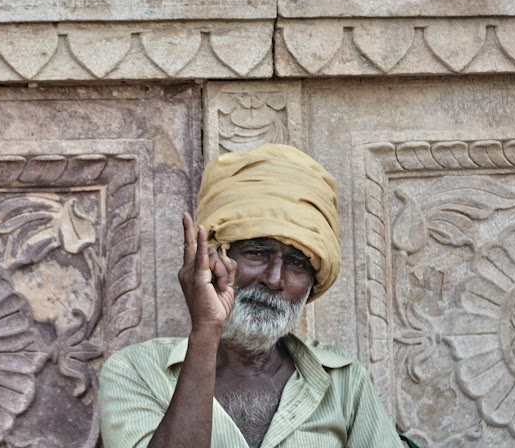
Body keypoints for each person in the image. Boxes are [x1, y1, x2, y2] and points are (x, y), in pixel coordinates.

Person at [99, 144, 403, 448]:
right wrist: (206, 332)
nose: (273, 279)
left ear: (313, 281)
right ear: (212, 259)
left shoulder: (343, 381)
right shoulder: (136, 371)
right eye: (257, 253)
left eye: (297, 263)